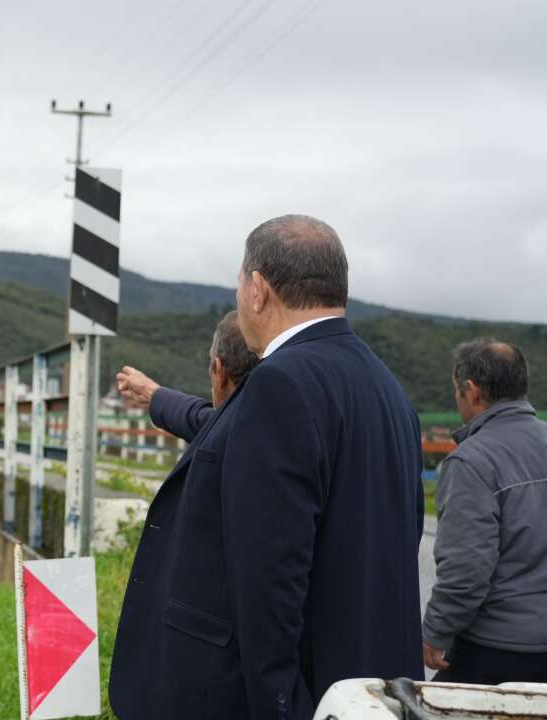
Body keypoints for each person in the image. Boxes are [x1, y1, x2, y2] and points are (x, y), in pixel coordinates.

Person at [109, 215, 424, 720]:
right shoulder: (387, 390)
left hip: (303, 696)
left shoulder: (281, 383)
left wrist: (280, 706)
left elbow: (268, 581)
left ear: (257, 289)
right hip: (374, 687)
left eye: (239, 282)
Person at [423, 339, 547, 683]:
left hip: (498, 649)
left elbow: (466, 571)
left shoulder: (472, 461)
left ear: (471, 391)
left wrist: (436, 632)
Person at [115, 310, 258, 442]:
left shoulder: (228, 433)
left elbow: (203, 422)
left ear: (219, 371)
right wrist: (152, 394)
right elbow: (197, 417)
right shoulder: (265, 422)